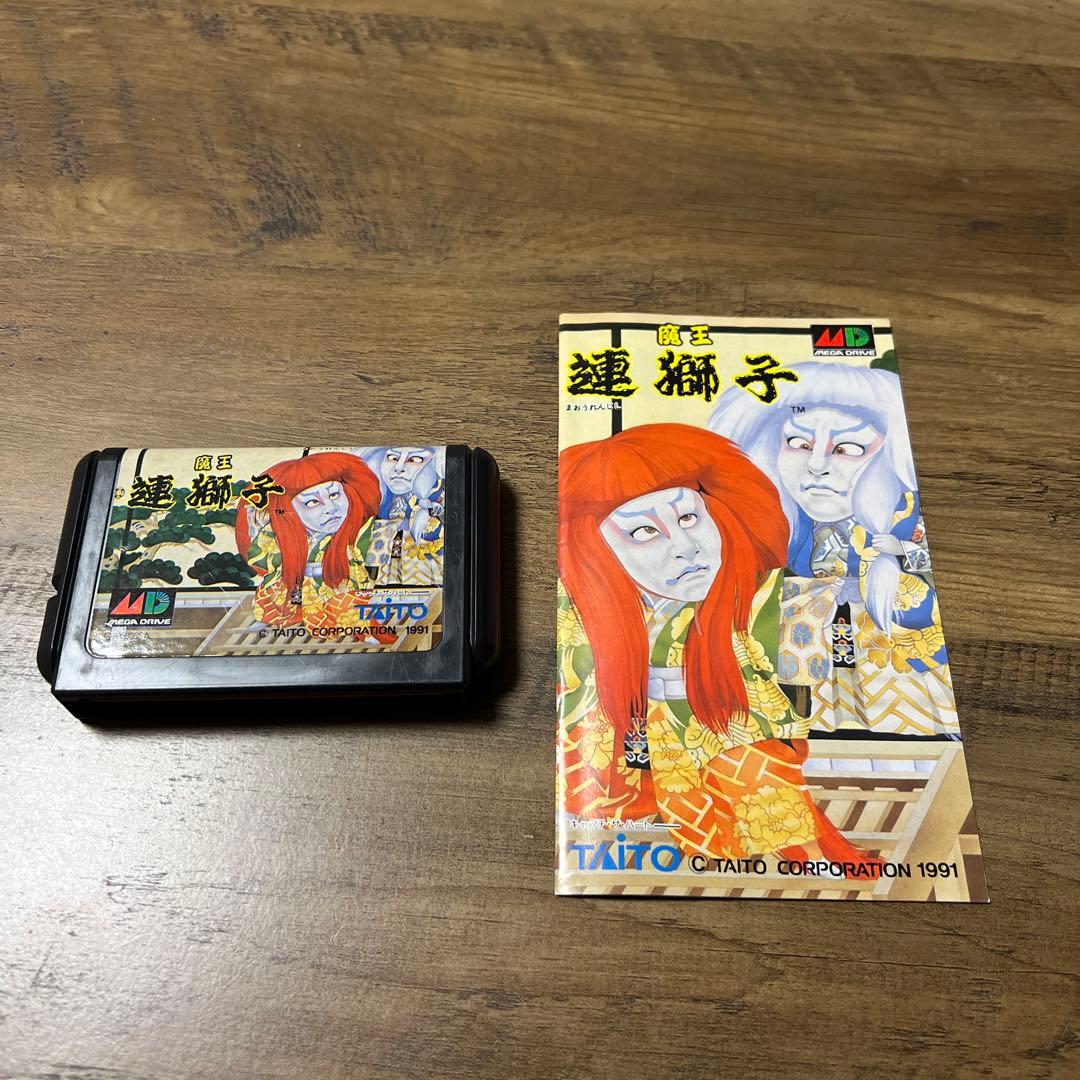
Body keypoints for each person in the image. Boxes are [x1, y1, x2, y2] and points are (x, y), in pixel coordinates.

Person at [558, 422, 880, 870]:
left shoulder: (767, 598)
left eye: (688, 518)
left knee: (743, 758)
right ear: (592, 547)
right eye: (644, 532)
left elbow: (832, 655)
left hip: (739, 751)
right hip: (631, 780)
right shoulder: (575, 615)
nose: (686, 548)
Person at [709, 362, 957, 735]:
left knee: (902, 724)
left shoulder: (906, 511)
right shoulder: (784, 524)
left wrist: (900, 551)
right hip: (811, 638)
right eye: (798, 444)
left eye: (847, 448)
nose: (816, 466)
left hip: (887, 636)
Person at [236, 451, 387, 638]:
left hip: (348, 598)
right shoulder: (276, 537)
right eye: (313, 502)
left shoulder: (367, 532)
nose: (331, 509)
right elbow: (261, 561)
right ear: (289, 509)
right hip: (294, 603)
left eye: (334, 494)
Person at [359, 446, 444, 585]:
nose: (398, 468)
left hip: (421, 574)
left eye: (415, 459)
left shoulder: (436, 499)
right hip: (381, 573)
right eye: (392, 458)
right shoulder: (379, 501)